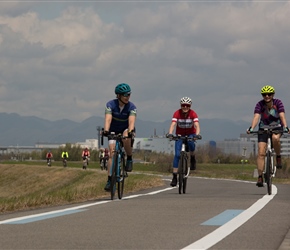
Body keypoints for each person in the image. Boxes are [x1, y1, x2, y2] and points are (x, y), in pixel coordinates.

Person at [247, 85, 289, 187]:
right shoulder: (259, 104)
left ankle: (278, 156)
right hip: (263, 128)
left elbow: (282, 115)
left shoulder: (278, 103)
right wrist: (251, 128)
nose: (267, 96)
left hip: (277, 127)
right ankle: (260, 176)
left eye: (269, 94)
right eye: (264, 94)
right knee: (261, 152)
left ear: (273, 95)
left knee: (275, 138)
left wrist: (286, 127)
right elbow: (256, 117)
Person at [102, 83, 137, 191]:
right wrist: (106, 130)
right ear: (118, 96)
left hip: (125, 129)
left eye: (129, 94)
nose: (127, 97)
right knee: (112, 153)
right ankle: (109, 180)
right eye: (125, 95)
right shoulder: (110, 104)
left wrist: (131, 131)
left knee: (126, 137)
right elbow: (108, 119)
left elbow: (131, 121)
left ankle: (129, 158)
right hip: (113, 129)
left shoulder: (132, 107)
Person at [167, 97, 201, 187]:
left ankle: (193, 158)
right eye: (183, 105)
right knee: (177, 155)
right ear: (181, 106)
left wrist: (197, 135)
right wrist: (170, 133)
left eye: (187, 106)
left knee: (191, 144)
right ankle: (174, 176)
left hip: (190, 134)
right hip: (179, 135)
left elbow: (196, 125)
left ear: (190, 106)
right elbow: (173, 124)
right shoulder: (177, 113)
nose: (185, 107)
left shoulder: (193, 113)